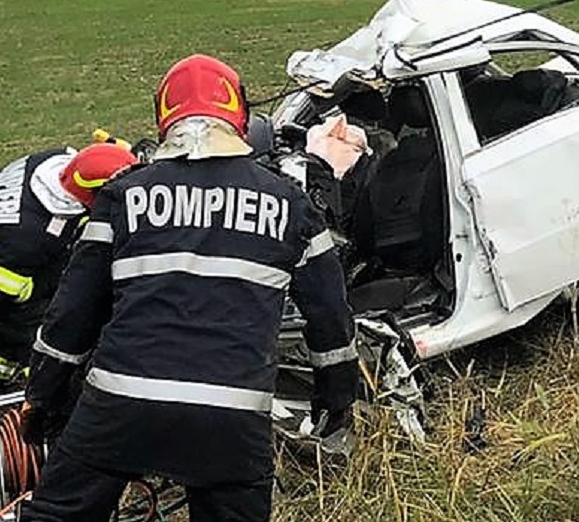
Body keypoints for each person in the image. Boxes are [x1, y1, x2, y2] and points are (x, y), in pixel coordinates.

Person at [19, 54, 360, 522]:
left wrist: (43, 396)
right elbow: (330, 319)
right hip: (232, 418)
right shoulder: (291, 204)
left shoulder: (122, 195)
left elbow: (72, 315)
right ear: (240, 116)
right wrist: (337, 400)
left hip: (121, 405)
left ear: (164, 117)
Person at [0, 143, 138, 406]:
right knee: (44, 333)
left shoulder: (57, 162)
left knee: (6, 336)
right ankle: (48, 403)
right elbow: (0, 293)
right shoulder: (30, 237)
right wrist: (60, 291)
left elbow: (107, 161)